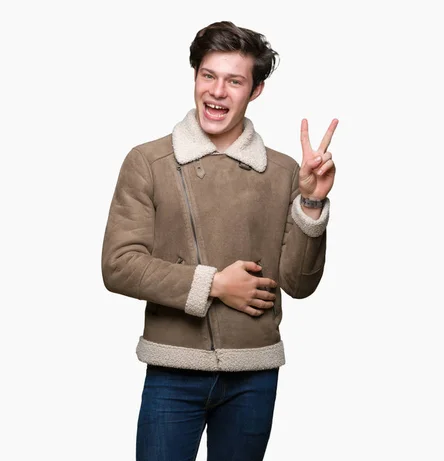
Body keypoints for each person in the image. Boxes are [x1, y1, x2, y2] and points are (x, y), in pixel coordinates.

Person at [101, 21, 338, 461]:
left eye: (234, 80)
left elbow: (300, 284)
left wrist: (310, 203)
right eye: (208, 75)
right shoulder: (149, 161)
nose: (217, 91)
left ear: (256, 91)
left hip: (254, 373)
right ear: (195, 76)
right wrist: (213, 284)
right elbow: (118, 264)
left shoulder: (285, 171)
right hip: (173, 367)